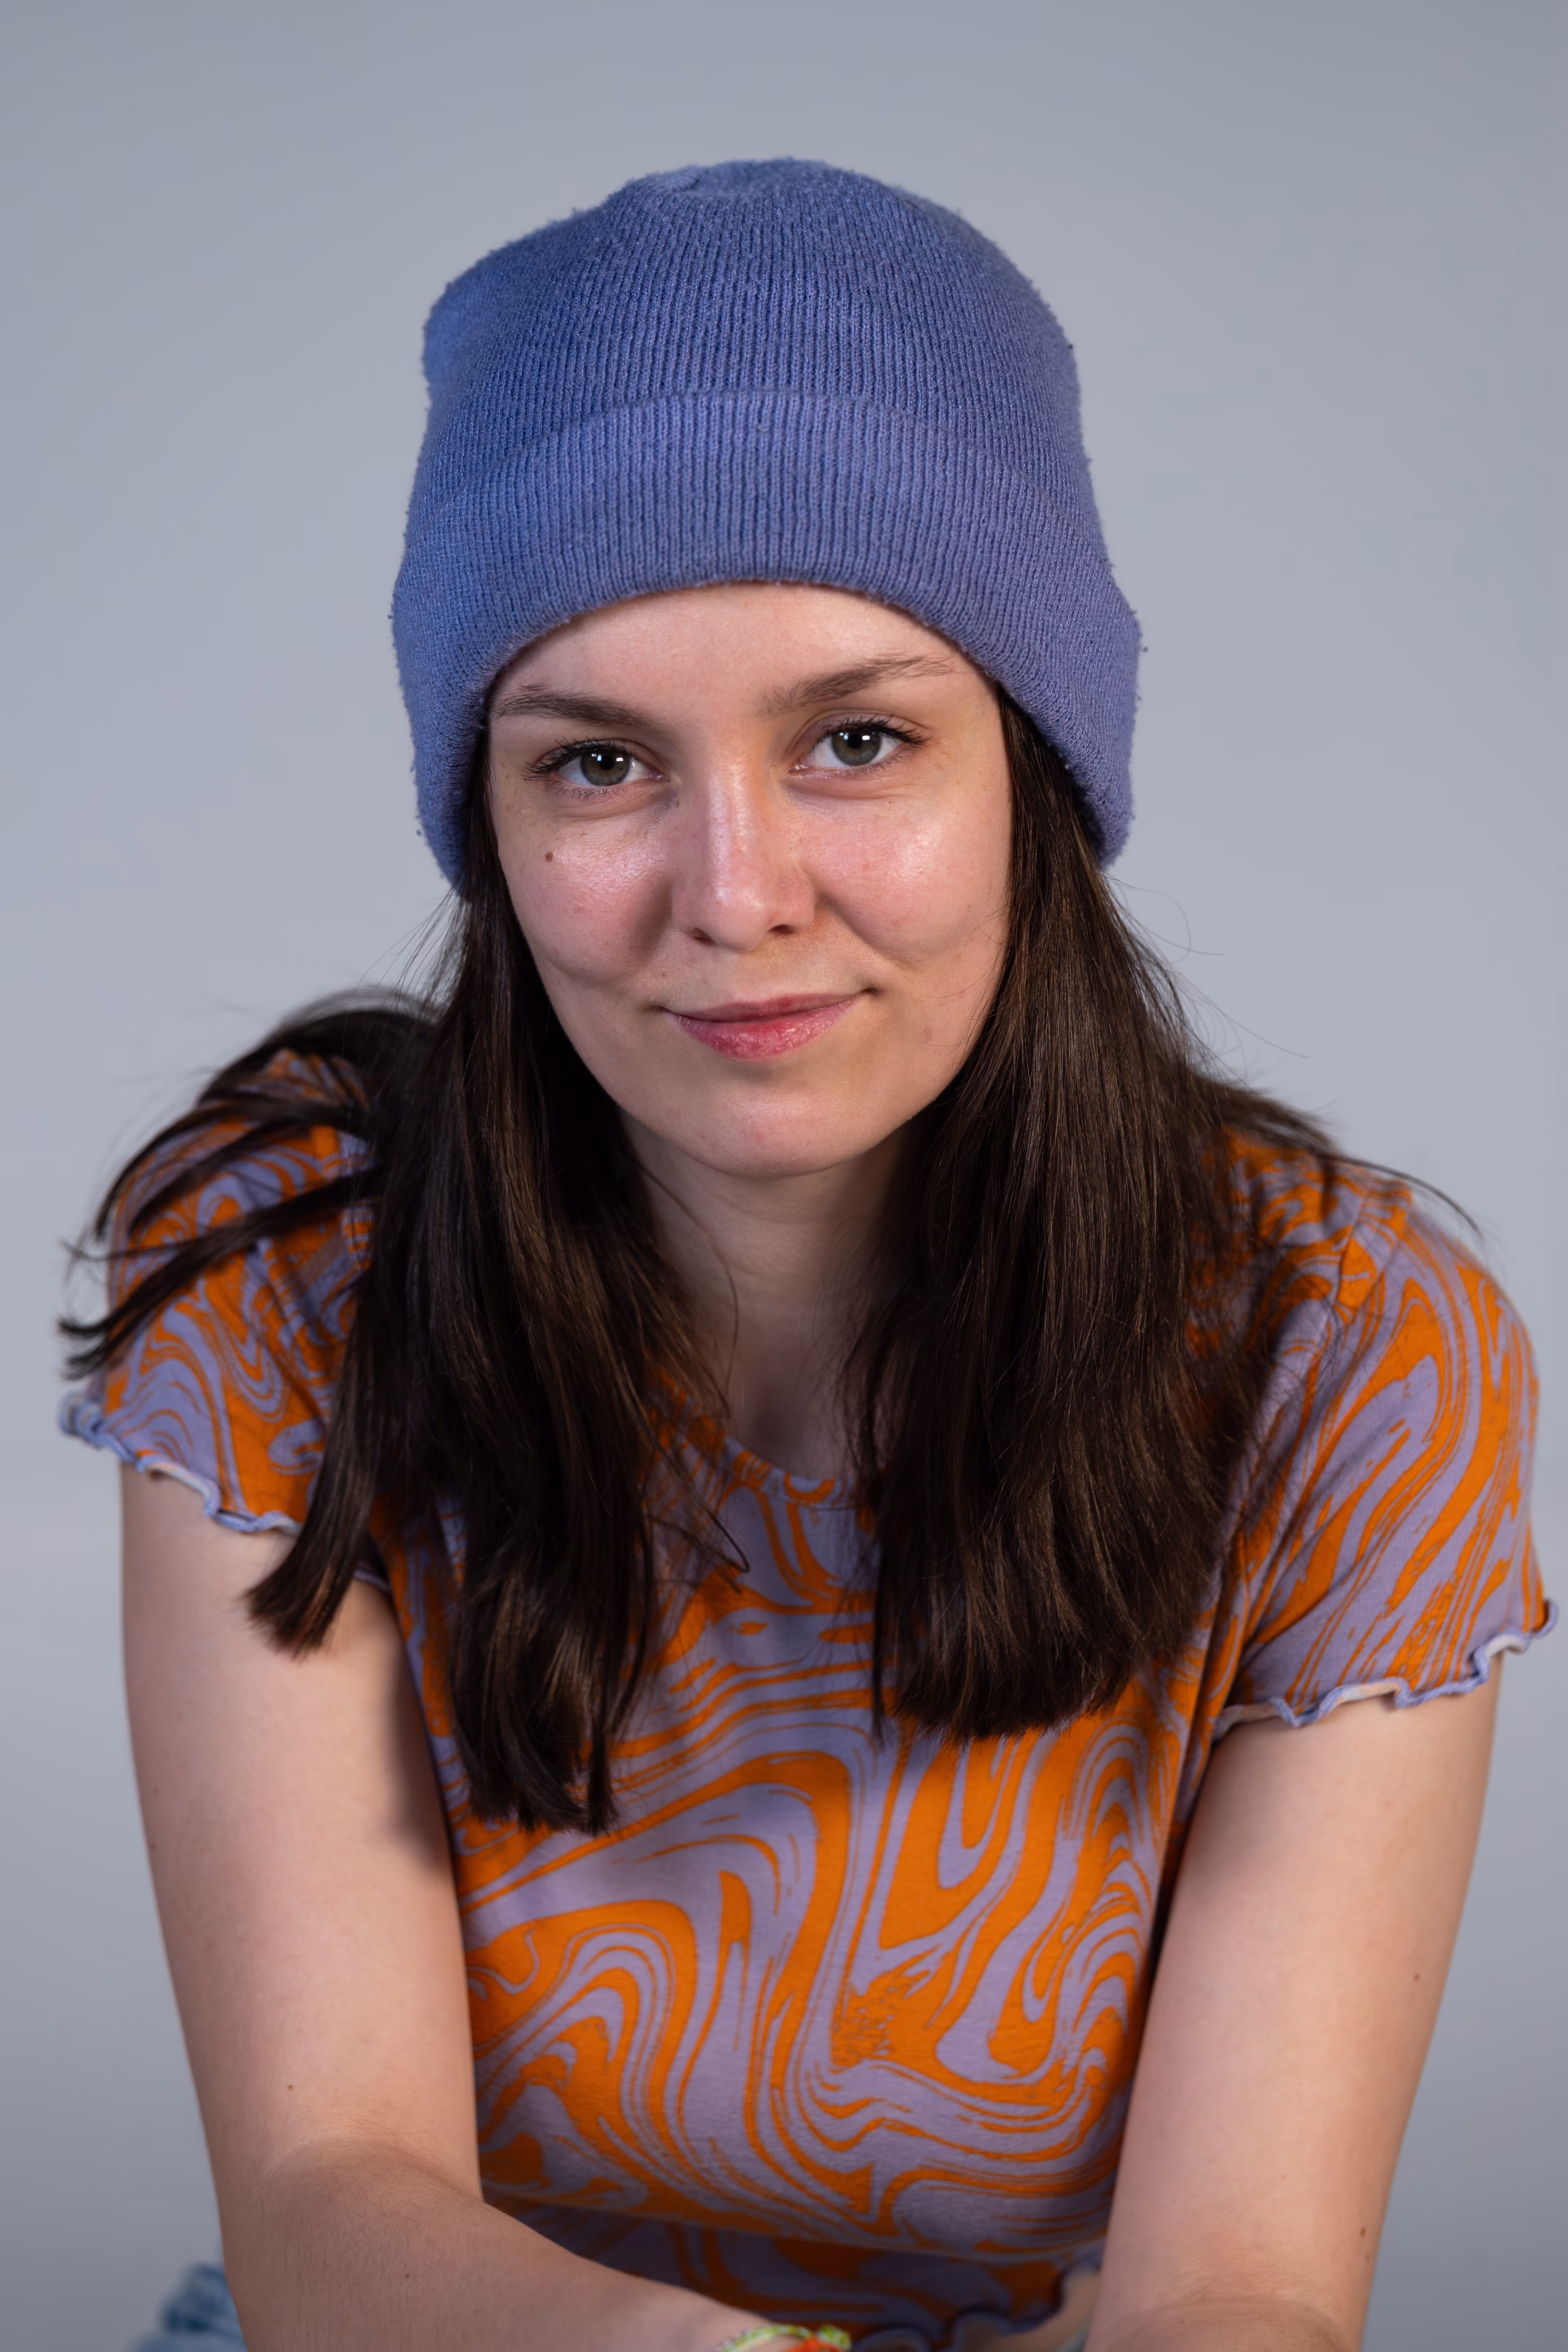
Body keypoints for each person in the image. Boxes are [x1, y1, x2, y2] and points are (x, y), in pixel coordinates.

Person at [62, 160, 1548, 2352]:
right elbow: (323, 2206)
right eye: (599, 764)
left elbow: (1239, 2293)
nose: (737, 893)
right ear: (491, 826)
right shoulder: (286, 1269)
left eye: (857, 740)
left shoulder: (1350, 1356)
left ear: (1036, 772)